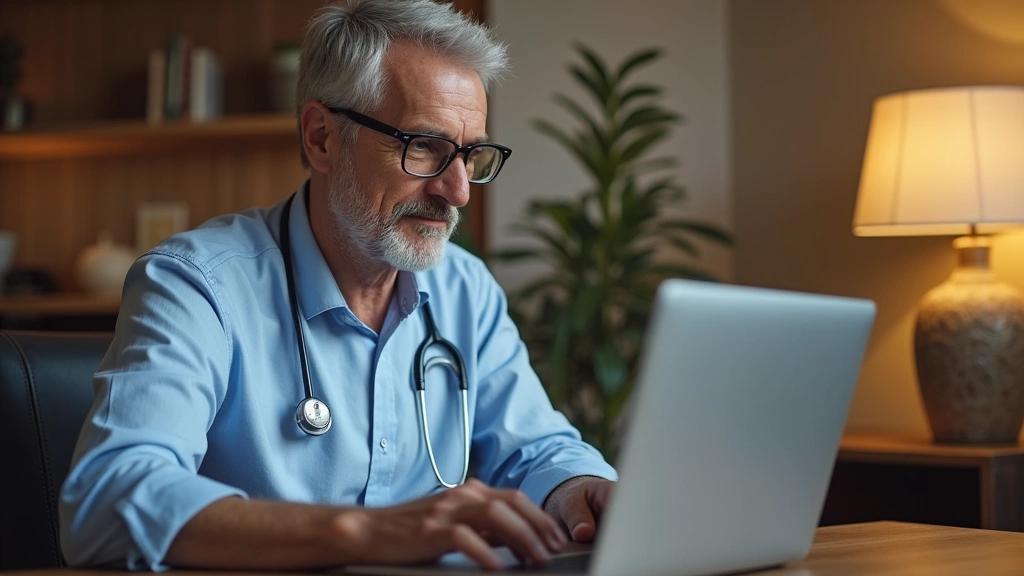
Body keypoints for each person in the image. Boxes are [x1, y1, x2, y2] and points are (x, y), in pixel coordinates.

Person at [59, 0, 617, 571]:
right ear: (322, 137)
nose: (458, 192)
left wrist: (581, 486)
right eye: (424, 146)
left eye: (471, 155)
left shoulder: (464, 288)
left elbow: (537, 448)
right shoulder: (195, 285)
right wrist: (360, 533)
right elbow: (109, 499)